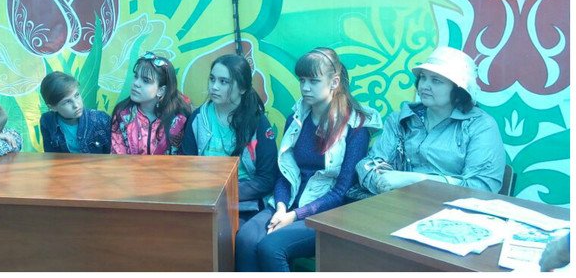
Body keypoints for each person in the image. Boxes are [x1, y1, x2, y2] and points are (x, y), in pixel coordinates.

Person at [236, 48, 381, 272]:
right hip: (288, 204)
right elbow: (285, 174)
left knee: (270, 247)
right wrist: (281, 208)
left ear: (334, 82)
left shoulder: (356, 126)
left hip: (328, 212)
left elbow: (341, 191)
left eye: (313, 81)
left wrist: (294, 216)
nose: (305, 88)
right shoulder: (296, 119)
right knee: (245, 239)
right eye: (302, 80)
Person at [356, 46, 505, 195]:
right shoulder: (401, 119)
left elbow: (481, 187)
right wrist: (381, 181)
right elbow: (369, 164)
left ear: (458, 90)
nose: (424, 86)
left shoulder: (480, 126)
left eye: (436, 80)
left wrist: (414, 180)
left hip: (450, 208)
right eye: (423, 77)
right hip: (396, 203)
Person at [181, 54, 278, 221]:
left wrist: (223, 193)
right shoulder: (198, 118)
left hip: (243, 203)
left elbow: (266, 179)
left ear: (242, 88)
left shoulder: (257, 122)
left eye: (223, 82)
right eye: (212, 79)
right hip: (203, 200)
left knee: (228, 230)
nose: (214, 87)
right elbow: (185, 166)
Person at [110, 52, 191, 155]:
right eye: (136, 76)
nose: (136, 83)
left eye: (145, 80)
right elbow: (118, 157)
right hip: (128, 165)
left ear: (161, 91)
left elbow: (182, 158)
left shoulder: (179, 119)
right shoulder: (123, 114)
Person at [39, 72, 111, 154]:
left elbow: (112, 154)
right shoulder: (47, 121)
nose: (76, 105)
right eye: (67, 102)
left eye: (76, 95)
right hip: (64, 162)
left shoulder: (101, 119)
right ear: (52, 107)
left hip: (97, 162)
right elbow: (51, 155)